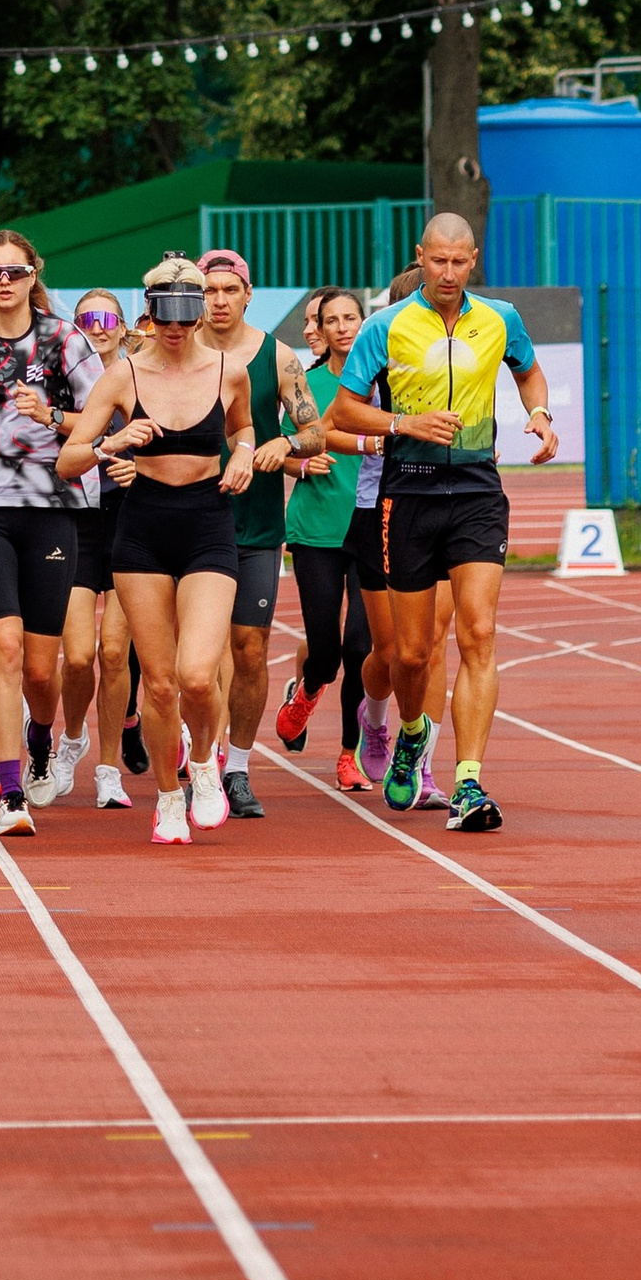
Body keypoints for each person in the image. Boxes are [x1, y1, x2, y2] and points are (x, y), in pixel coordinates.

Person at [325, 211, 557, 832]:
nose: (448, 272)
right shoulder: (385, 326)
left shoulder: (500, 318)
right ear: (420, 256)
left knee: (479, 632)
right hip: (408, 494)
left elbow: (528, 370)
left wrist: (539, 414)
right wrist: (404, 424)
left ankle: (469, 781)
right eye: (438, 261)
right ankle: (410, 730)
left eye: (459, 262)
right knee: (412, 652)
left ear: (473, 260)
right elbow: (344, 411)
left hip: (478, 490)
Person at [63, 255, 253, 849]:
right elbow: (69, 460)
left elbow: (242, 428)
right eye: (164, 317)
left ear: (199, 316)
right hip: (142, 529)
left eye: (185, 317)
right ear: (148, 314)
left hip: (208, 524)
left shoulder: (229, 372)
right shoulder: (123, 376)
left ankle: (203, 763)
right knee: (162, 683)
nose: (174, 328)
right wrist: (113, 441)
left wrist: (246, 454)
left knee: (197, 675)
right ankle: (168, 797)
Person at [0, 233, 102, 837]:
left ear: (34, 275)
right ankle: (11, 794)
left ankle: (40, 739)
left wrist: (51, 415)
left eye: (16, 271)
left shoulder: (66, 339)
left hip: (52, 507)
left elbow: (103, 418)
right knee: (1, 648)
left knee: (38, 668)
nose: (4, 281)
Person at [199, 248, 322, 823]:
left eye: (230, 290)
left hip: (257, 524)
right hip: (191, 521)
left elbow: (315, 431)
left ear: (249, 295)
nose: (220, 301)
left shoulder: (279, 357)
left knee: (249, 649)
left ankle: (239, 768)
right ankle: (199, 758)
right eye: (209, 290)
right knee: (196, 655)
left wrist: (285, 443)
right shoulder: (176, 351)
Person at [269, 285, 381, 795]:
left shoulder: (385, 383)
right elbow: (281, 451)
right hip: (316, 528)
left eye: (350, 318)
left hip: (371, 527)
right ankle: (307, 690)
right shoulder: (307, 384)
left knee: (360, 647)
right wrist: (300, 463)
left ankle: (348, 754)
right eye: (331, 320)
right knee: (326, 651)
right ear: (322, 328)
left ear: (365, 322)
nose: (342, 327)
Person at [60, 293, 134, 806]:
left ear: (123, 327)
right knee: (79, 655)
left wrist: (141, 467)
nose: (98, 327)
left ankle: (108, 767)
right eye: (87, 319)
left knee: (114, 652)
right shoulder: (62, 377)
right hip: (78, 517)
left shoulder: (141, 375)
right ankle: (71, 738)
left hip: (132, 519)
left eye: (107, 318)